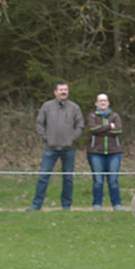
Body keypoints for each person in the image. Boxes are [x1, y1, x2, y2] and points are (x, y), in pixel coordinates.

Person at [28, 81, 84, 211]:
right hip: (50, 149)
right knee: (43, 177)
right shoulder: (47, 106)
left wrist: (72, 139)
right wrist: (47, 139)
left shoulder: (74, 108)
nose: (63, 92)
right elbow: (39, 124)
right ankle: (36, 206)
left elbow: (80, 126)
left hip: (69, 149)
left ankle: (66, 206)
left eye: (65, 90)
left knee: (68, 179)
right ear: (55, 92)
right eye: (61, 90)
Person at [86, 93, 125, 210]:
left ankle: (116, 204)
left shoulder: (115, 115)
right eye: (100, 100)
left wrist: (102, 129)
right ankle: (97, 204)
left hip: (114, 153)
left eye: (105, 100)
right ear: (96, 103)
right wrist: (109, 126)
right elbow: (93, 129)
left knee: (113, 180)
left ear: (108, 103)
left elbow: (118, 130)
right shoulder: (92, 116)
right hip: (95, 153)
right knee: (98, 181)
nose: (103, 102)